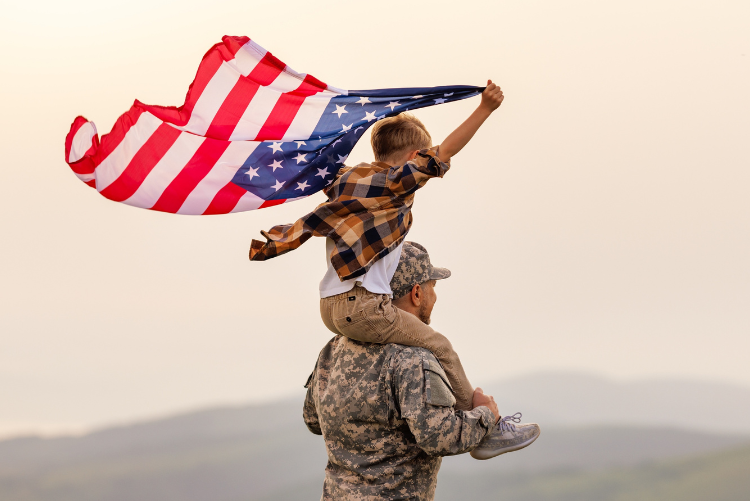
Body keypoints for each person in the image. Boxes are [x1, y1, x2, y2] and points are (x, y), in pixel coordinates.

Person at [252, 81, 504, 411]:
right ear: (415, 157)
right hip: (363, 305)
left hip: (329, 306)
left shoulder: (347, 178)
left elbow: (315, 164)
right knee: (440, 346)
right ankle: (482, 418)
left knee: (385, 342)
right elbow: (445, 152)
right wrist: (484, 109)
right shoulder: (396, 182)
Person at [303, 242, 541, 501]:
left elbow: (313, 419)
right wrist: (485, 415)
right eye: (432, 288)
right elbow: (438, 436)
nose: (435, 297)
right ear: (417, 293)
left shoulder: (333, 349)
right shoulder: (413, 359)